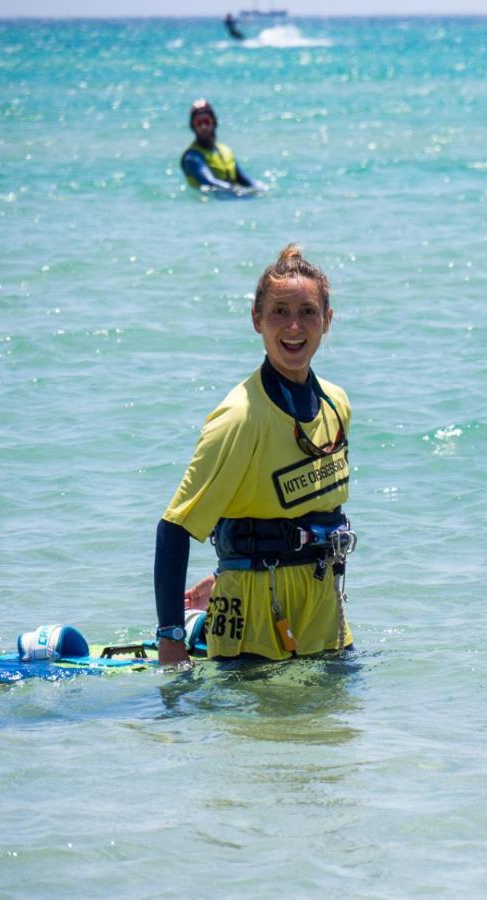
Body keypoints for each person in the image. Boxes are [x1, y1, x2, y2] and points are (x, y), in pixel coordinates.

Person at [154, 245, 356, 666]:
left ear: (328, 320)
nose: (294, 326)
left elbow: (302, 511)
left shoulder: (337, 405)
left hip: (324, 609)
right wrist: (171, 640)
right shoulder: (241, 416)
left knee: (338, 731)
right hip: (252, 620)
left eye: (308, 312)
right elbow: (174, 527)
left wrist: (225, 567)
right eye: (279, 312)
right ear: (256, 320)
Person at [180, 99, 258, 195]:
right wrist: (238, 192)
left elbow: (242, 178)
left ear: (214, 122)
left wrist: (258, 188)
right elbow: (210, 182)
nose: (203, 127)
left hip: (233, 198)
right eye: (198, 123)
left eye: (206, 121)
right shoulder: (192, 157)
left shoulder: (226, 150)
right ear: (193, 126)